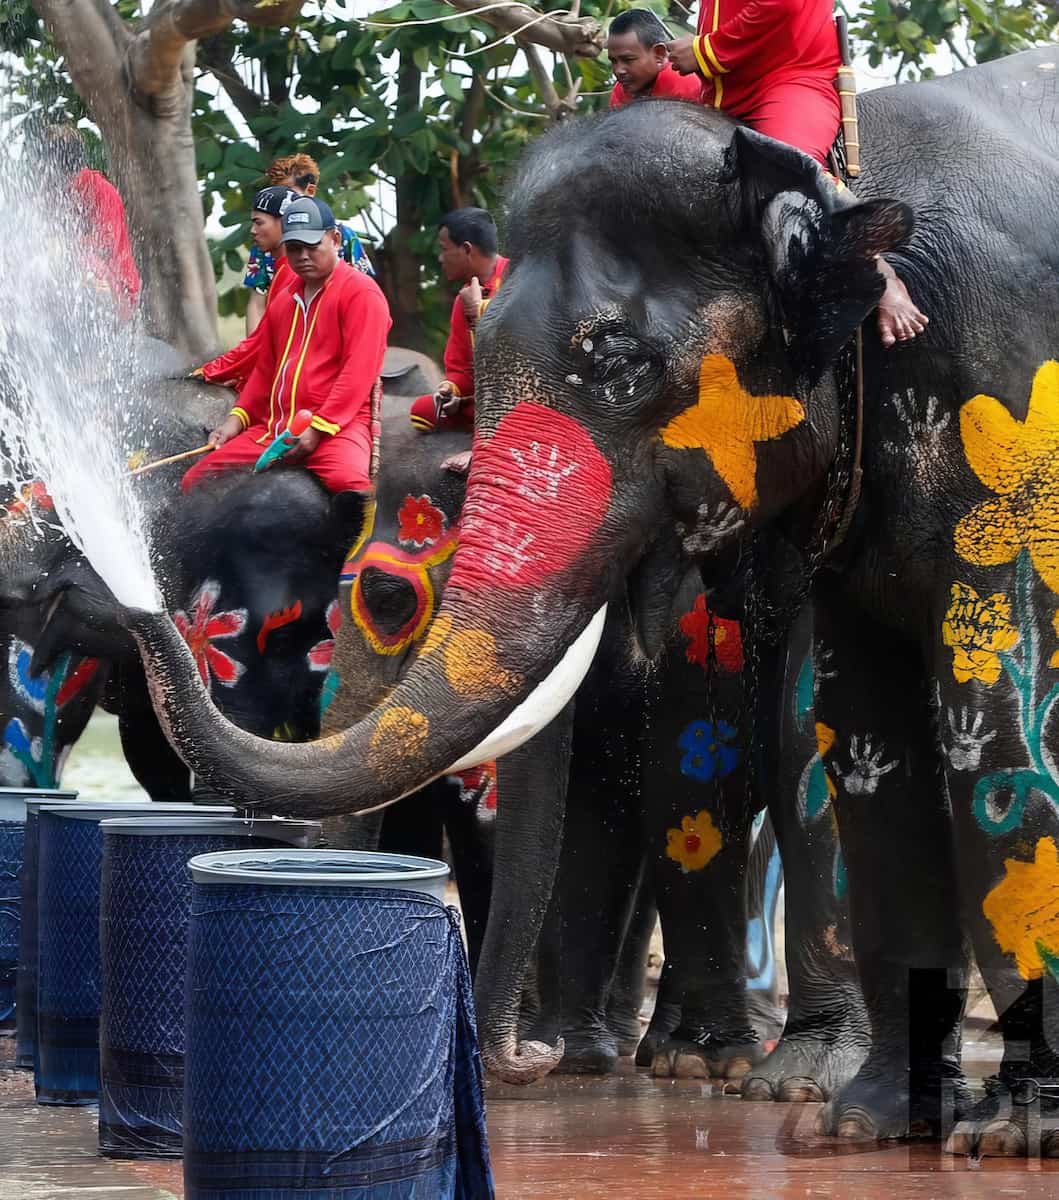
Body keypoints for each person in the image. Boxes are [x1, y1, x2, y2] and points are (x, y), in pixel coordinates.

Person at [666, 6, 927, 346]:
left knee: (790, 175)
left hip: (789, 76)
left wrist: (706, 50)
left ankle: (879, 273)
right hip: (720, 91)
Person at [183, 197, 390, 496]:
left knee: (351, 489)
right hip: (276, 431)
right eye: (294, 248)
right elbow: (265, 370)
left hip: (337, 430)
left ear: (334, 239)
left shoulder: (362, 294)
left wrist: (318, 429)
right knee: (196, 482)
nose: (303, 256)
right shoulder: (283, 299)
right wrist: (234, 421)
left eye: (311, 246)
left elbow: (357, 373)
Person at [245, 153, 374, 334]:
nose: (282, 199)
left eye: (289, 192)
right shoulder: (266, 242)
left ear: (310, 191)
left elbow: (365, 296)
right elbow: (257, 303)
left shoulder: (343, 235)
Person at [409, 208, 508, 434]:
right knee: (422, 411)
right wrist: (451, 390)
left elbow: (527, 344)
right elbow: (461, 369)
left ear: (466, 249)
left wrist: (479, 309)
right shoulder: (462, 299)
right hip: (484, 399)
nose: (441, 258)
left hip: (523, 397)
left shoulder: (518, 277)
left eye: (444, 250)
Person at [192, 186, 299, 390]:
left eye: (259, 223)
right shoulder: (281, 270)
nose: (252, 230)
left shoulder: (294, 274)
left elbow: (264, 340)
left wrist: (212, 370)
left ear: (284, 222)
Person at [43, 125, 141, 320]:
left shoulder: (101, 192)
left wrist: (66, 246)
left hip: (117, 290)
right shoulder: (56, 195)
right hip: (81, 287)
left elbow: (106, 245)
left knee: (76, 262)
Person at [607, 10, 704, 107]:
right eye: (613, 61)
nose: (618, 71)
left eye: (628, 60)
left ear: (659, 54)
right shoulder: (621, 90)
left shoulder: (685, 86)